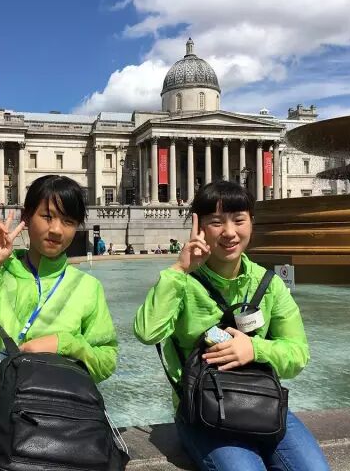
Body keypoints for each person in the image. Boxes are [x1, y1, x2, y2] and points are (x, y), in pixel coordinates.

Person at [134, 180, 329, 471]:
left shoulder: (269, 284)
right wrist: (179, 269)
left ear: (251, 222)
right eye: (216, 222)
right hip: (202, 410)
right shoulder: (182, 282)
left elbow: (298, 355)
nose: (229, 232)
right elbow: (147, 332)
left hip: (263, 404)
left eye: (239, 220)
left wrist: (254, 349)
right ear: (199, 227)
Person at [0, 174, 118, 421]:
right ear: (27, 216)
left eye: (68, 221)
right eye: (47, 216)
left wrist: (65, 344)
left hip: (63, 418)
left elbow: (106, 362)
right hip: (1, 418)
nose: (56, 230)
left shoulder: (88, 287)